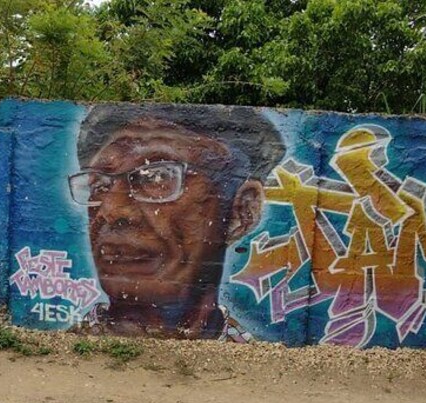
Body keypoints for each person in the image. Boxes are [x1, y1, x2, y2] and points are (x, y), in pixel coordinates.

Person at [69, 104, 285, 339]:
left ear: (242, 212)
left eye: (157, 177)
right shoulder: (66, 357)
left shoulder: (245, 369)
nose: (111, 210)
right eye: (99, 184)